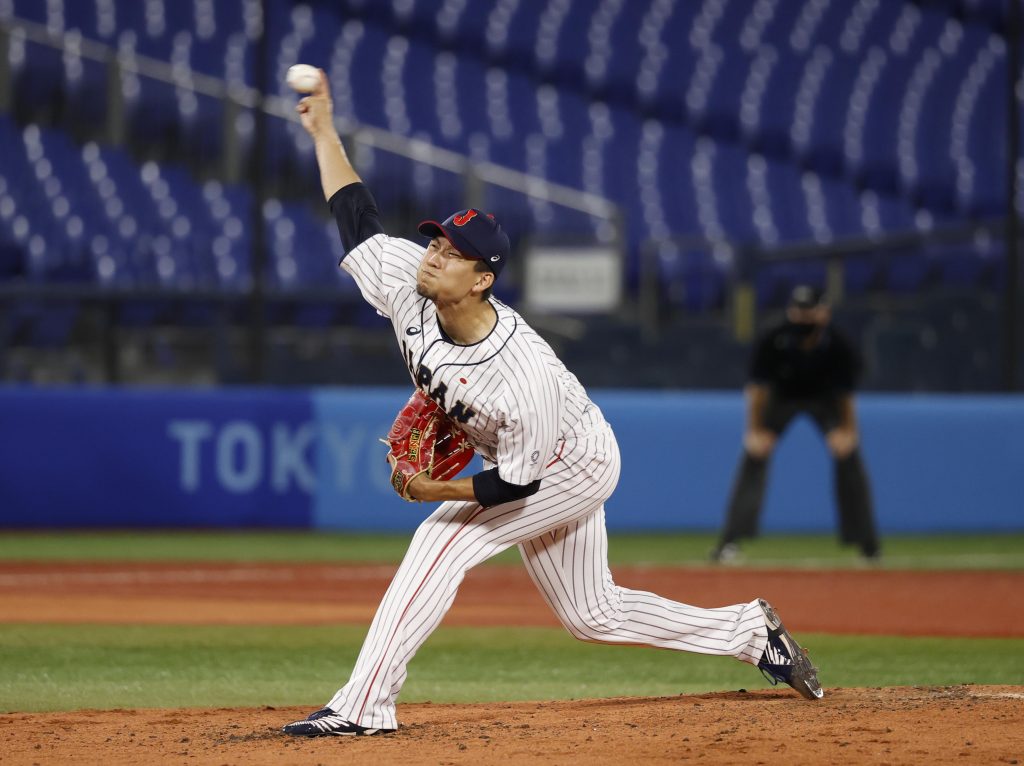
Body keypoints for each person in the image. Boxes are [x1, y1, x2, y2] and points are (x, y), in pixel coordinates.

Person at [282, 71, 824, 738]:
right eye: (436, 241)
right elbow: (355, 217)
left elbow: (517, 481)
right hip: (520, 452)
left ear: (482, 280)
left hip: (571, 459)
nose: (433, 256)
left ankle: (365, 705)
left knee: (442, 540)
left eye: (453, 255)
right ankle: (750, 631)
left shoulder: (522, 372)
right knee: (590, 614)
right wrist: (324, 130)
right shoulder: (406, 282)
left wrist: (431, 490)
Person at [710, 285, 881, 564]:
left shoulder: (837, 344)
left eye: (808, 312)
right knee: (754, 454)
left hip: (825, 400)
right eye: (798, 311)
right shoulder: (774, 337)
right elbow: (757, 389)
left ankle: (868, 546)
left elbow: (845, 395)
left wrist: (849, 432)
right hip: (782, 398)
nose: (802, 318)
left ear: (822, 313)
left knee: (848, 454)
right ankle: (729, 542)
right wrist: (754, 431)